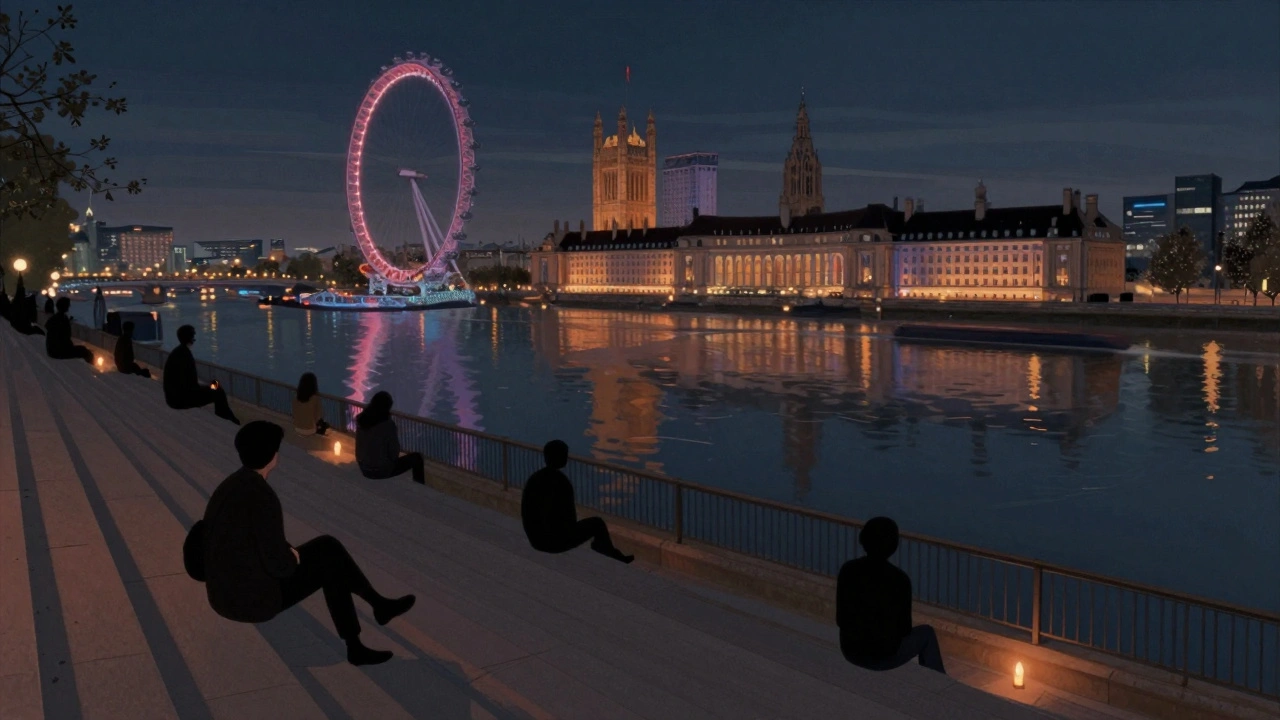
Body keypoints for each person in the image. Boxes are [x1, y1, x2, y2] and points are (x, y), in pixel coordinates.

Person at [199, 421, 415, 666]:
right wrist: (293, 557)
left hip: (223, 593)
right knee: (329, 559)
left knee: (327, 550)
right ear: (272, 455)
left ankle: (377, 607)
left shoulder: (230, 485)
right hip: (251, 601)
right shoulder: (262, 496)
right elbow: (280, 567)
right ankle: (360, 636)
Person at [836, 516, 946, 675]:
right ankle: (938, 681)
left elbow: (841, 618)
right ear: (893, 545)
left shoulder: (848, 570)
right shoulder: (899, 580)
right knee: (926, 633)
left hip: (851, 650)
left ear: (863, 539)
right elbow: (905, 629)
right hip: (884, 657)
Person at [520, 440, 634, 564]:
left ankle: (605, 549)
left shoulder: (535, 479)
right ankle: (608, 552)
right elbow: (569, 518)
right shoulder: (561, 482)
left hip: (536, 540)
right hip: (554, 542)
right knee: (597, 523)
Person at [163, 324, 240, 424]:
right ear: (189, 337)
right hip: (180, 399)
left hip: (174, 397)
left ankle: (227, 417)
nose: (194, 339)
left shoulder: (177, 352)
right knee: (218, 391)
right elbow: (191, 385)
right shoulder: (185, 355)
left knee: (215, 387)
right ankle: (226, 418)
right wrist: (211, 387)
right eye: (193, 336)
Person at [355, 391, 424, 483]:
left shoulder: (361, 421)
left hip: (364, 469)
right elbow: (394, 453)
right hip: (381, 471)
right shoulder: (388, 425)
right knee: (417, 458)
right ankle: (419, 486)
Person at [45, 297, 95, 364]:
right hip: (58, 351)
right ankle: (92, 371)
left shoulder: (55, 318)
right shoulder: (62, 319)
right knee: (86, 352)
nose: (69, 306)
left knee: (83, 349)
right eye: (68, 305)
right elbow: (64, 338)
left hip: (52, 350)